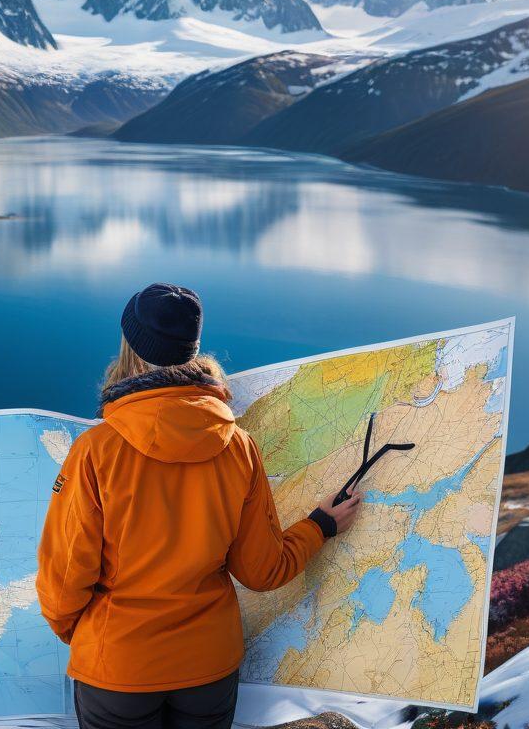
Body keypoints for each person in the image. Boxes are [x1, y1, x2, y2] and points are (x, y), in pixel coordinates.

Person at [36, 282, 361, 729]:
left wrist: (88, 636)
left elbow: (65, 576)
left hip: (118, 668)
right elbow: (262, 570)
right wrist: (320, 525)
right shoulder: (238, 446)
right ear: (193, 349)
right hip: (208, 668)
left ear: (129, 347)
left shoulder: (96, 451)